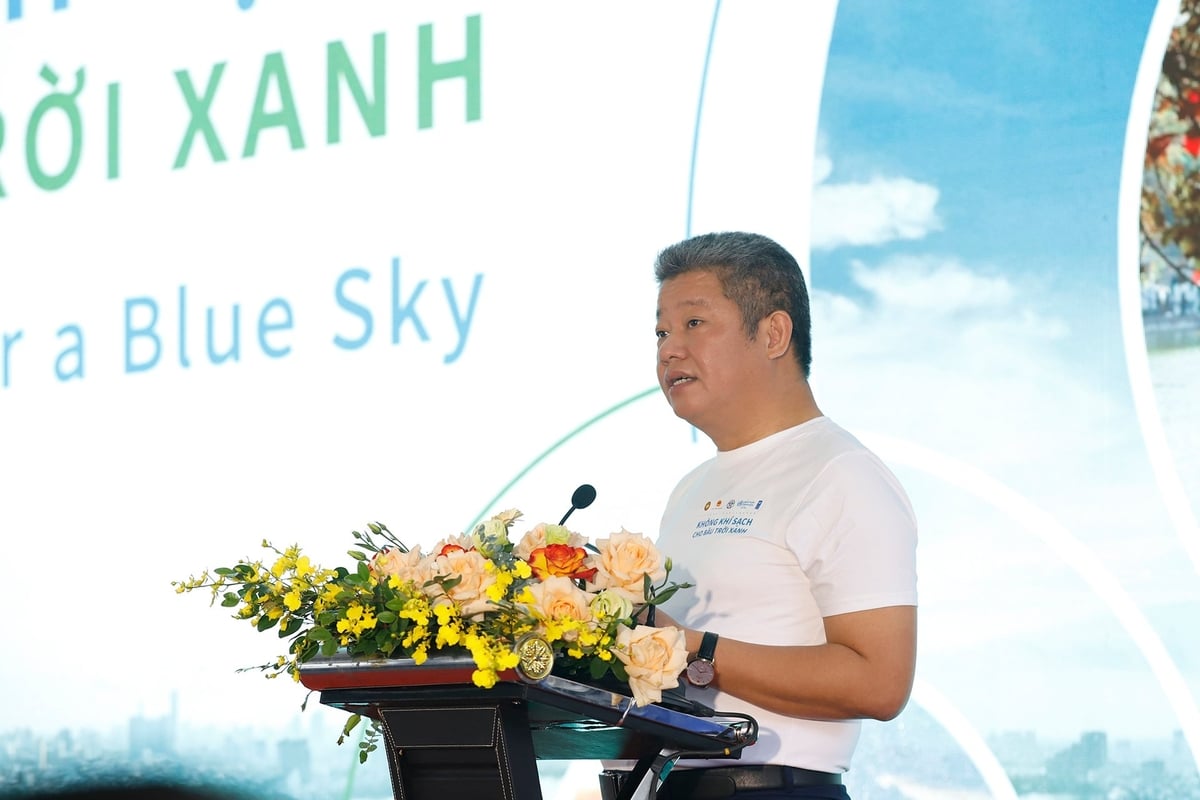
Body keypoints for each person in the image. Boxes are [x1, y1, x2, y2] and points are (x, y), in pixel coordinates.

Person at [605, 231, 918, 800]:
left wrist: (695, 649)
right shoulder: (691, 488)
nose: (669, 350)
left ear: (773, 333)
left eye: (694, 323)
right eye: (661, 332)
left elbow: (880, 682)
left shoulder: (841, 472)